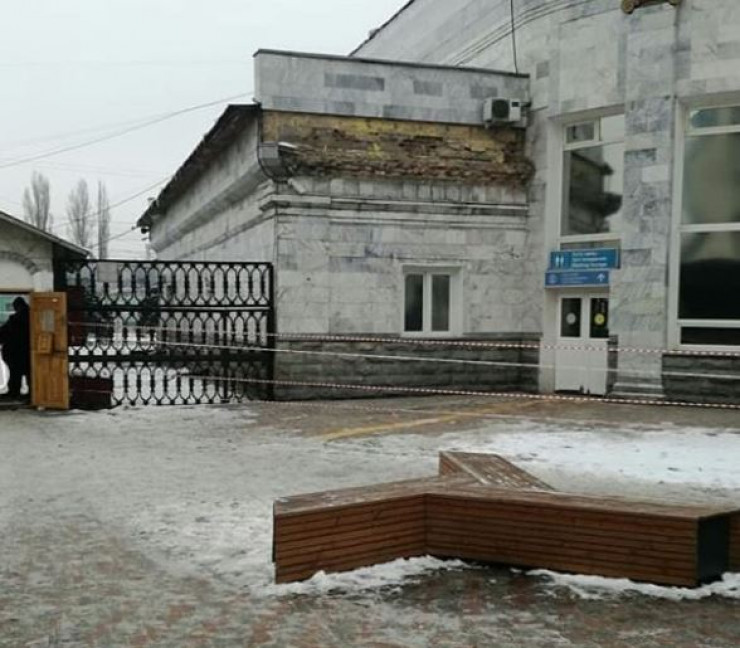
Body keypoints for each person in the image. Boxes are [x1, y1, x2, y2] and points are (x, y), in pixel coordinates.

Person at [0, 297, 31, 400]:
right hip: (27, 351)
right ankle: (32, 393)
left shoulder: (15, 320)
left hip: (15, 352)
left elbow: (4, 332)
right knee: (30, 373)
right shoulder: (33, 317)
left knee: (15, 373)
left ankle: (14, 392)